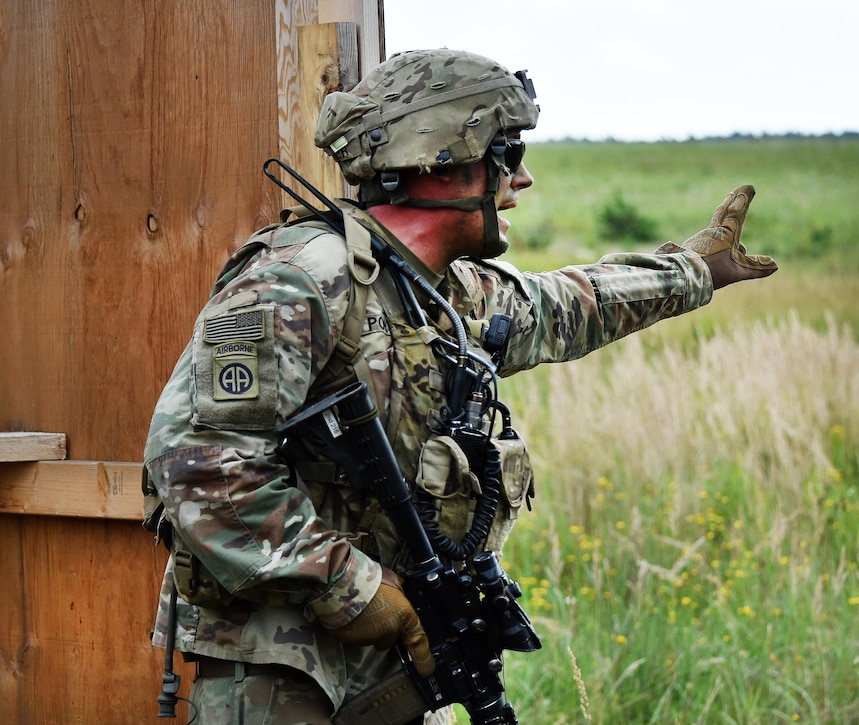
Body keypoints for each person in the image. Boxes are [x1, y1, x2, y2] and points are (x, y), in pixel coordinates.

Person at [143, 48, 777, 725]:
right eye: (507, 152)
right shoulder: (298, 281)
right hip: (288, 672)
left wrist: (695, 269)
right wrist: (352, 584)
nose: (522, 179)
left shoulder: (439, 292)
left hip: (398, 657)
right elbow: (197, 466)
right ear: (444, 157)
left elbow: (567, 303)